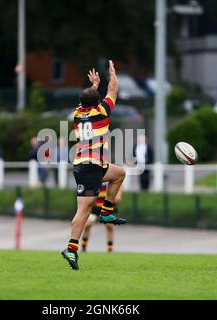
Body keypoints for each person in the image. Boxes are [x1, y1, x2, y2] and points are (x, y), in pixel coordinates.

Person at [61, 61, 127, 271]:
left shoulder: (79, 114)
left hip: (88, 164)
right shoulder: (103, 111)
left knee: (119, 173)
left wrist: (95, 86)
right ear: (98, 101)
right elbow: (114, 88)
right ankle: (71, 249)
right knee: (84, 209)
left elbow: (89, 100)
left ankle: (107, 211)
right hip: (91, 166)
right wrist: (112, 74)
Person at [81, 184, 123, 253]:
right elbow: (88, 188)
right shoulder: (96, 175)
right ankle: (83, 247)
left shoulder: (112, 174)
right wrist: (90, 195)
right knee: (88, 224)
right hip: (95, 205)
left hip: (107, 206)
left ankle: (110, 249)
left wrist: (119, 195)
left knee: (109, 226)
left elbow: (119, 184)